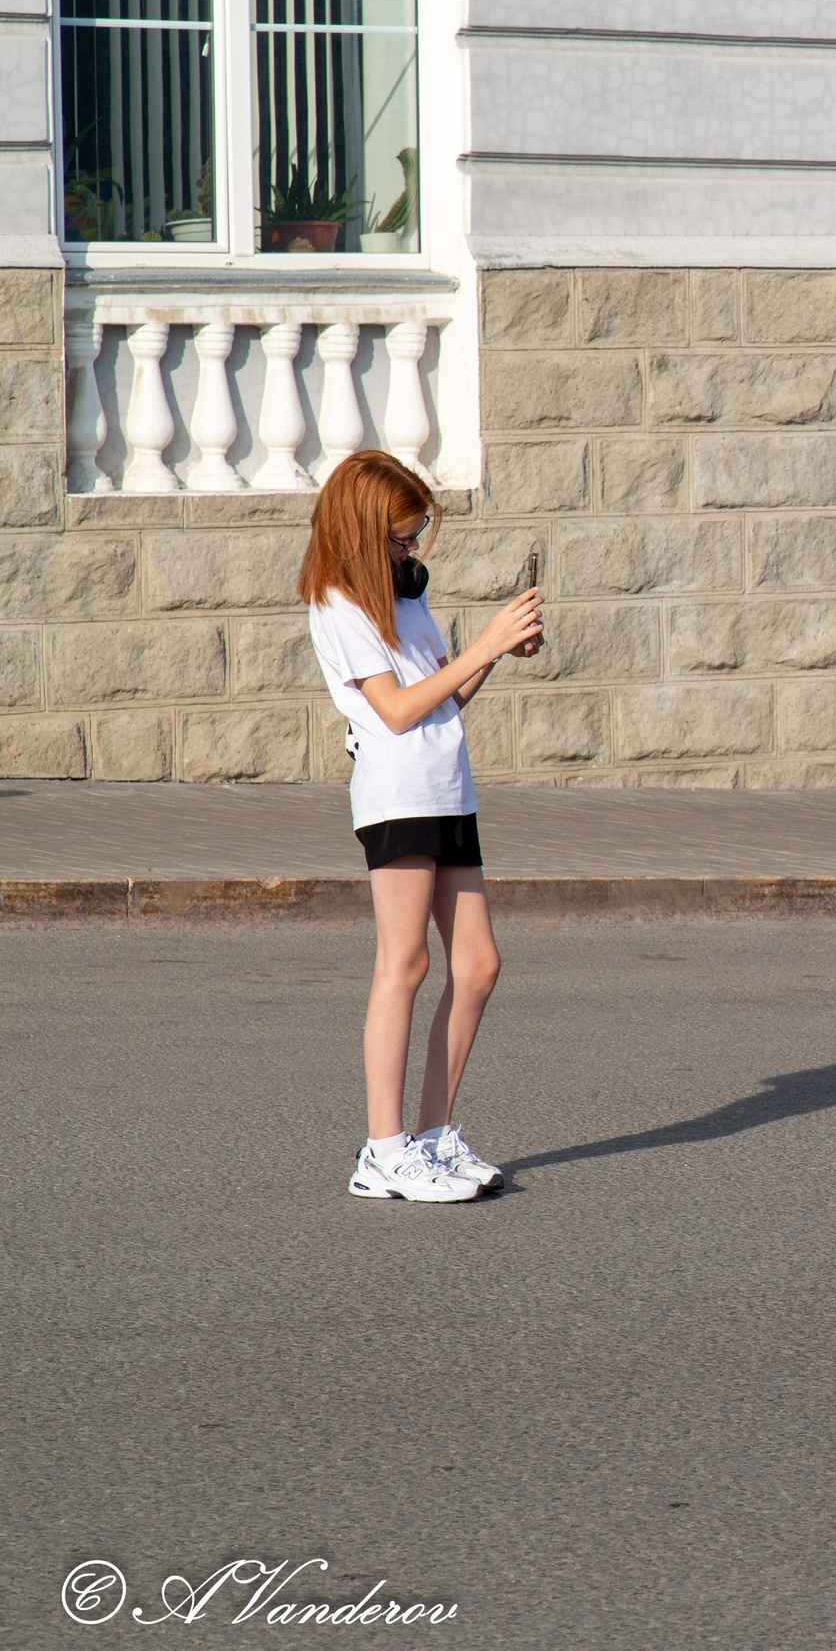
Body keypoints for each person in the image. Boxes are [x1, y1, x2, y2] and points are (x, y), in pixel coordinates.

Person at [298, 451, 544, 1203]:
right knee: (403, 964)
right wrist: (484, 643)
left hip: (447, 785)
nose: (411, 552)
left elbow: (442, 697)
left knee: (478, 965)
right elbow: (398, 711)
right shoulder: (338, 606)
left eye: (414, 537)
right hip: (397, 793)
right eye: (400, 539)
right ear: (362, 532)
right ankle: (382, 1151)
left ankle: (433, 1138)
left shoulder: (405, 597)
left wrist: (498, 654)